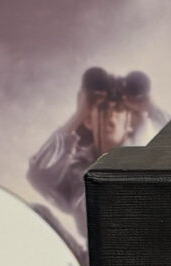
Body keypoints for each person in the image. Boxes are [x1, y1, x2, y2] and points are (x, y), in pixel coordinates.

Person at [26, 67, 113, 237]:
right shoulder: (80, 171)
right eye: (102, 109)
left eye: (118, 108)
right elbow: (39, 176)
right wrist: (79, 114)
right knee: (37, 213)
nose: (113, 116)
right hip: (96, 259)